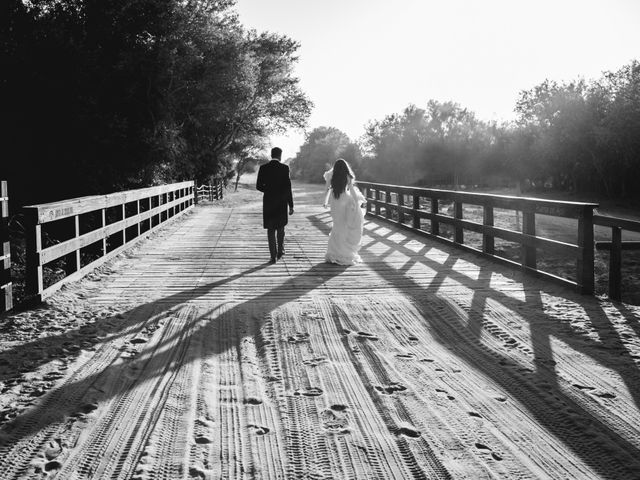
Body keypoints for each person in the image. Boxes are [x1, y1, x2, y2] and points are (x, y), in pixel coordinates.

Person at [323, 158, 365, 265]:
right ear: (346, 167)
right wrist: (356, 203)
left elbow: (327, 189)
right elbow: (351, 191)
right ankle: (343, 252)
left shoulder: (331, 176)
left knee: (336, 225)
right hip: (345, 200)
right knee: (344, 225)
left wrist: (325, 201)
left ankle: (333, 252)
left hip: (334, 200)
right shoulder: (347, 176)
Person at [256, 147, 294, 263]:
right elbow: (288, 188)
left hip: (268, 202)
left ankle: (272, 256)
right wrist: (291, 205)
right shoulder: (284, 168)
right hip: (281, 203)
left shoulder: (263, 168)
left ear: (271, 155)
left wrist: (268, 190)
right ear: (280, 156)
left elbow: (258, 186)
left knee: (271, 229)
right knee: (281, 227)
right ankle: (280, 251)